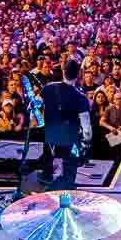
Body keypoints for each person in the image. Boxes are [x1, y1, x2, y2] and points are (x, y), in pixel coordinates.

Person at [40, 59, 92, 189]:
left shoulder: (48, 88)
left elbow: (34, 106)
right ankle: (65, 188)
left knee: (47, 165)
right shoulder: (80, 97)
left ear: (63, 71)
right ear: (79, 74)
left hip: (50, 135)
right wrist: (87, 141)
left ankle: (46, 181)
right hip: (70, 138)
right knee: (69, 169)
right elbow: (86, 128)